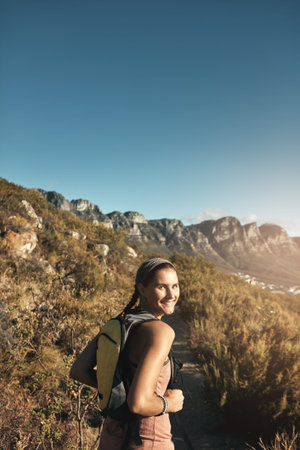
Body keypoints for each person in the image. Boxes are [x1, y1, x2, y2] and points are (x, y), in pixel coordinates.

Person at [69, 257, 184, 449]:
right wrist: (169, 404)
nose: (171, 294)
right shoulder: (161, 332)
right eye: (162, 287)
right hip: (148, 440)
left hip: (111, 437)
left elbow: (78, 371)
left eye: (175, 286)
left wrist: (118, 389)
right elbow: (139, 404)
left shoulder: (120, 323)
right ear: (141, 289)